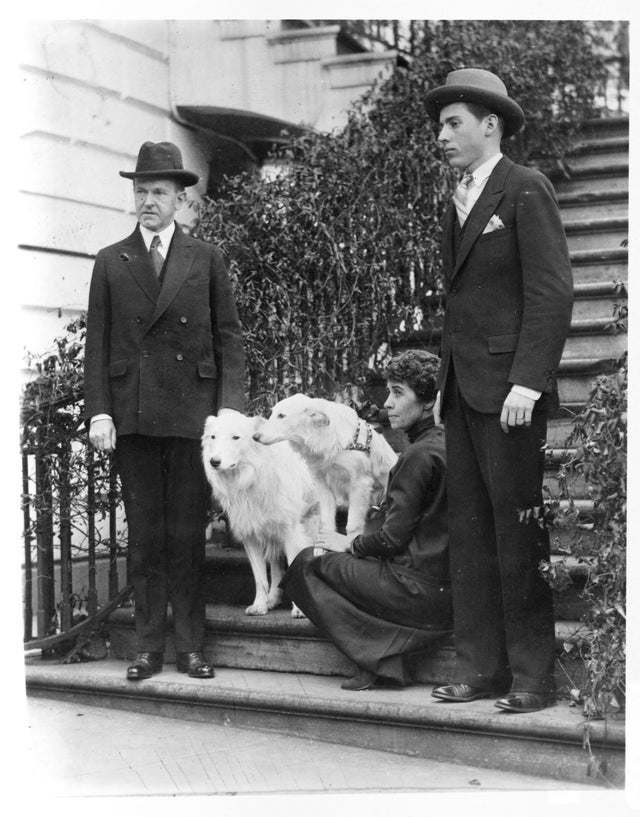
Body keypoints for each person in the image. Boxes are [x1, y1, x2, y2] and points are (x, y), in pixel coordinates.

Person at [425, 69, 574, 712]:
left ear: (491, 124)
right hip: (463, 393)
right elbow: (460, 303)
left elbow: (552, 291)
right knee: (471, 535)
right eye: (438, 126)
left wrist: (528, 381)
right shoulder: (454, 198)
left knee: (517, 537)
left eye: (453, 123)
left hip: (511, 395)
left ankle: (534, 677)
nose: (442, 136)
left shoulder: (525, 188)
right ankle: (481, 668)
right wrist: (442, 386)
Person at [84, 141, 245, 681]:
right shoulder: (111, 260)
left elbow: (228, 339)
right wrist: (99, 413)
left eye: (158, 192)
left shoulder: (205, 258)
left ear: (180, 199)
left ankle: (191, 647)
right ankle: (149, 648)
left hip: (193, 418)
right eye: (140, 191)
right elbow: (99, 345)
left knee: (185, 534)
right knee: (147, 535)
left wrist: (228, 413)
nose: (147, 200)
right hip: (133, 414)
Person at [280, 350, 452, 691]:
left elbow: (391, 540)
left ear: (429, 401)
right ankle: (384, 655)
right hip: (444, 588)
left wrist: (349, 543)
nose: (387, 402)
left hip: (416, 592)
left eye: (398, 392)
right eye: (388, 391)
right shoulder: (447, 444)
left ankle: (377, 656)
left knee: (306, 564)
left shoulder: (417, 456)